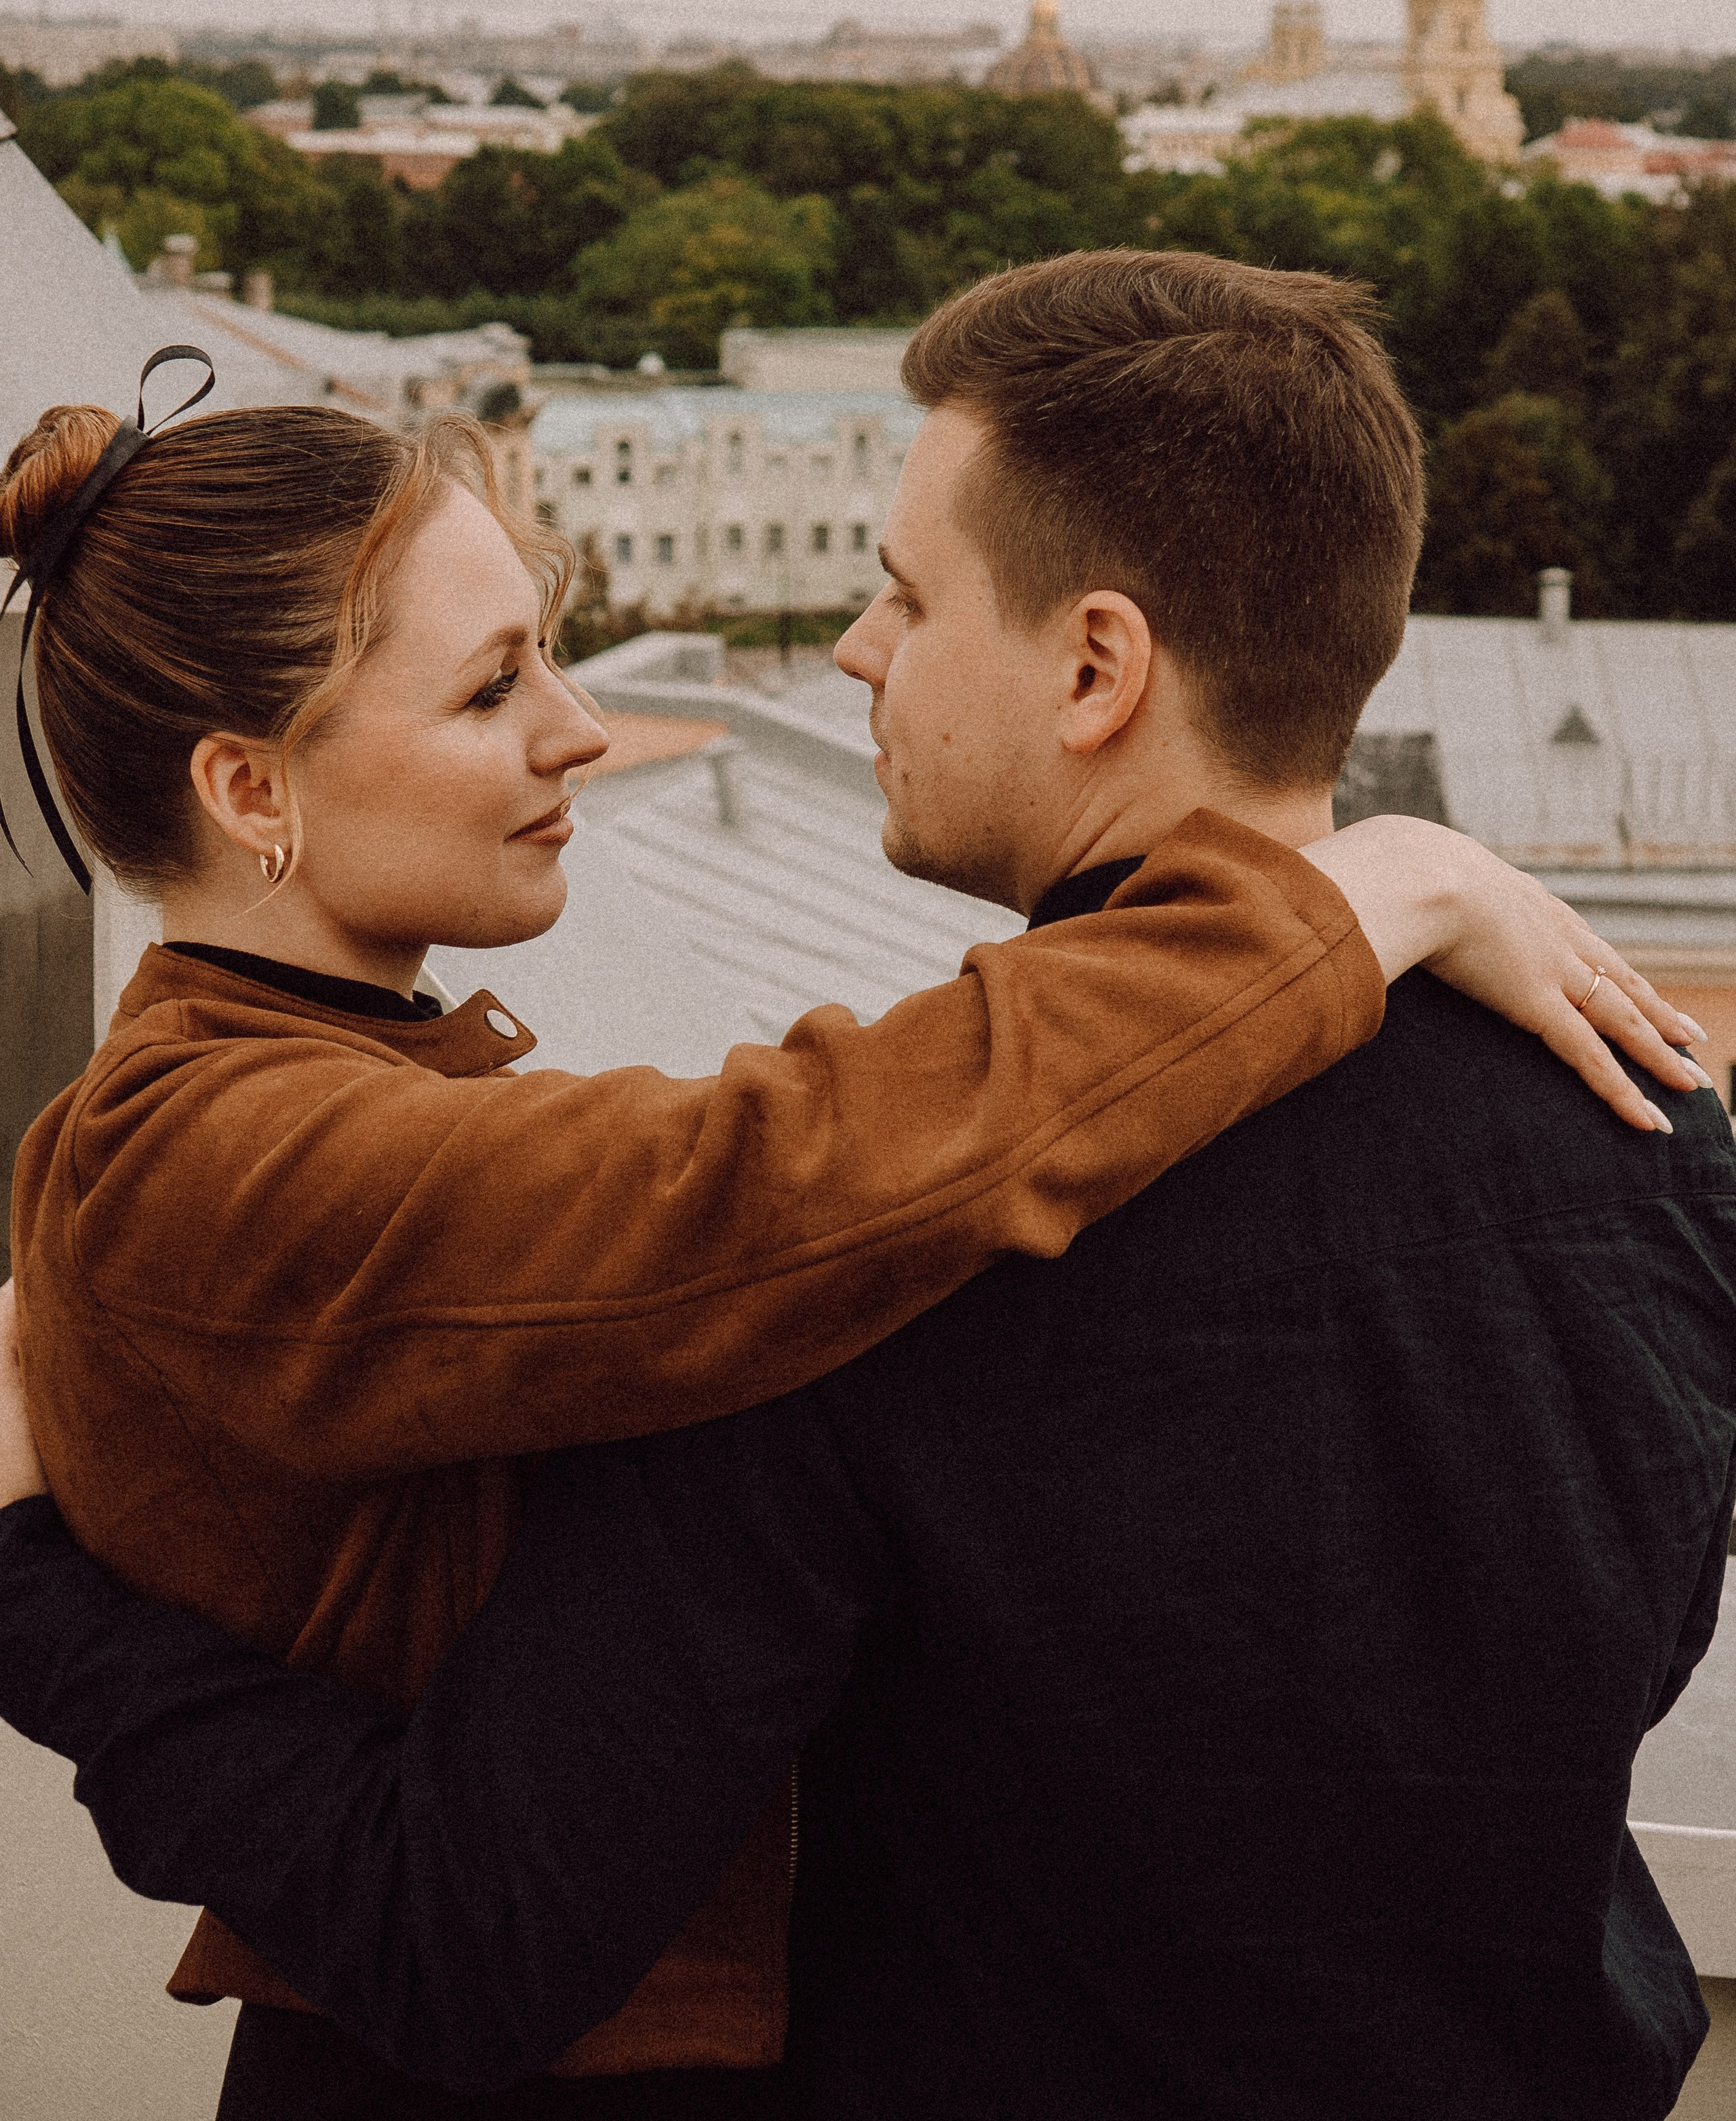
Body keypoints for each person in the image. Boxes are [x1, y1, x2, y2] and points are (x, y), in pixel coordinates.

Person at [0, 252, 1719, 2121]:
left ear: (1095, 666)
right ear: (250, 788)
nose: (847, 648)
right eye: (499, 685)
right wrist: (1381, 881)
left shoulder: (851, 1288)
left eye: (903, 594)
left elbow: (475, 1922)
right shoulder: (1657, 1134)